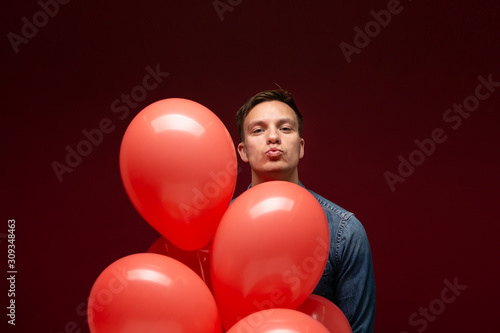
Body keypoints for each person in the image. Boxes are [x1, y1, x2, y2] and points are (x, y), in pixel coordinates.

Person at [235, 89, 376, 333]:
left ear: (300, 147)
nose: (273, 137)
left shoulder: (344, 232)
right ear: (243, 151)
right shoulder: (215, 227)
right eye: (258, 130)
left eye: (285, 128)